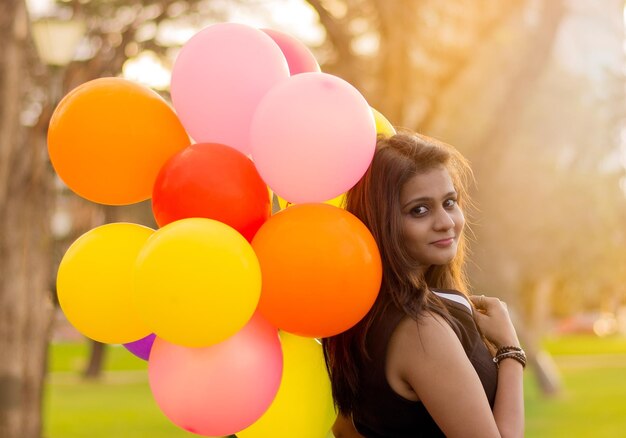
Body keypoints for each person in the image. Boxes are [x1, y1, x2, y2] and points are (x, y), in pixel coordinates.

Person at [322, 132, 524, 437]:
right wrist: (511, 351)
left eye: (450, 202)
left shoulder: (372, 313)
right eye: (419, 209)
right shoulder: (420, 331)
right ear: (382, 221)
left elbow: (344, 429)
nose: (446, 222)